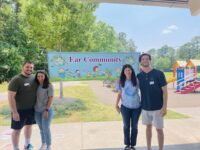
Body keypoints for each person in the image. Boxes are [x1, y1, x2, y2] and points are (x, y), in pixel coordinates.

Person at [137, 53, 168, 150]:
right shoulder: (139, 76)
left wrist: (164, 107)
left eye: (147, 59)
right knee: (148, 128)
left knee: (159, 130)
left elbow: (165, 92)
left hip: (158, 108)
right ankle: (149, 148)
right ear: (140, 62)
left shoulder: (159, 73)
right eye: (143, 59)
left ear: (150, 60)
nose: (145, 60)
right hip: (145, 108)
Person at [8, 61, 37, 150]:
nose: (29, 69)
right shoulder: (16, 79)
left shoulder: (33, 78)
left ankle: (27, 145)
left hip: (31, 109)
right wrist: (15, 112)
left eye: (31, 67)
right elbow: (10, 97)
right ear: (23, 67)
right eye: (27, 67)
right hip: (19, 111)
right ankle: (16, 148)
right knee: (17, 130)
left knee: (29, 126)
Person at [115, 64, 141, 150]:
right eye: (126, 70)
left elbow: (143, 92)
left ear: (132, 71)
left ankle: (132, 145)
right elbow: (119, 94)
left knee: (134, 126)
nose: (128, 71)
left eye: (129, 70)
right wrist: (116, 105)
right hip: (125, 107)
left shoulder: (137, 80)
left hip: (137, 107)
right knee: (126, 126)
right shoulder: (120, 81)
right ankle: (127, 144)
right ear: (123, 72)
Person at [34, 70, 54, 150]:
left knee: (46, 128)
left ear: (45, 76)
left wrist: (46, 110)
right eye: (38, 76)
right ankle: (43, 144)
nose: (40, 78)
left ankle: (49, 145)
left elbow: (51, 98)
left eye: (42, 76)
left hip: (46, 110)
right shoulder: (36, 85)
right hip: (37, 110)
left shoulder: (49, 85)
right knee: (41, 128)